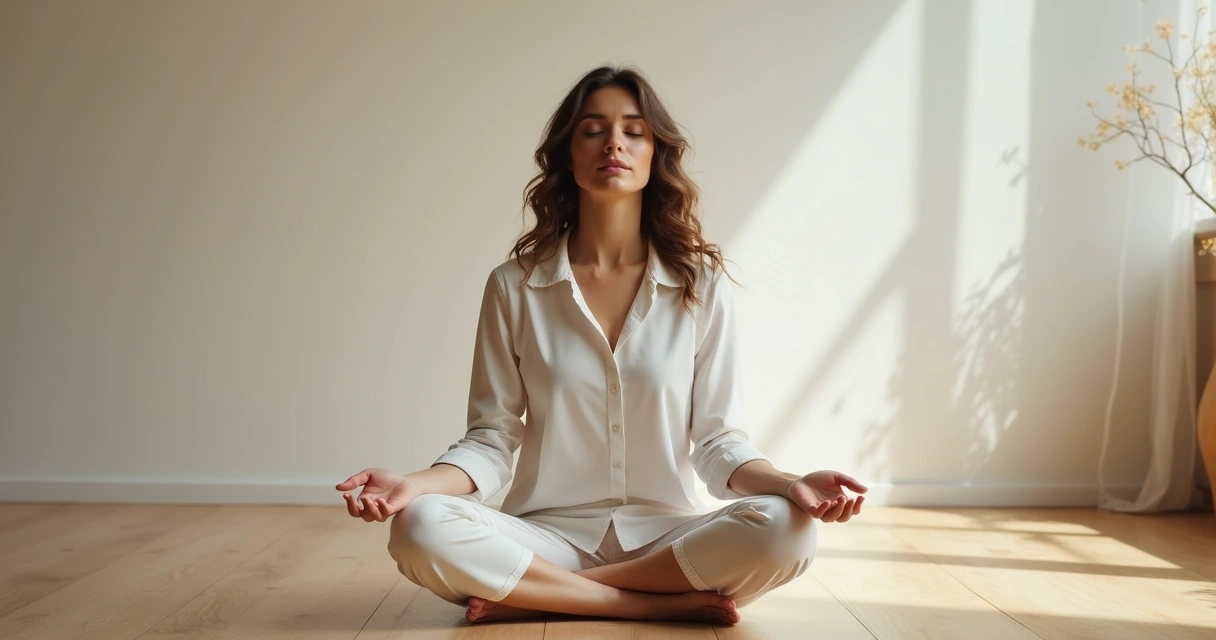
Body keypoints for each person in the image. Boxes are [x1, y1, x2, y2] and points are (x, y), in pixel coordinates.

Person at [335, 65, 866, 626]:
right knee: (419, 526)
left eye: (634, 130)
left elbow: (717, 442)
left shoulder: (699, 285)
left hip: (669, 540)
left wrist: (791, 484)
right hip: (545, 535)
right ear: (568, 153)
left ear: (655, 153)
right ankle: (646, 604)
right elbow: (492, 439)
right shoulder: (514, 286)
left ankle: (540, 597)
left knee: (788, 529)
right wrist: (414, 485)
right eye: (593, 129)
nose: (614, 141)